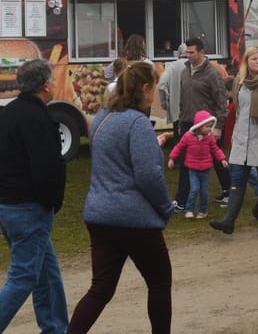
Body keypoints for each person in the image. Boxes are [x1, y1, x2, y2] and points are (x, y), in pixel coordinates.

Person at [67, 61, 176, 334]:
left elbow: (114, 159)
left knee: (100, 289)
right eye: (155, 89)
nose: (155, 95)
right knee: (159, 283)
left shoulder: (102, 118)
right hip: (134, 219)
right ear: (145, 88)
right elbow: (148, 176)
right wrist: (165, 207)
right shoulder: (138, 123)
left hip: (100, 215)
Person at [0, 59, 67, 334]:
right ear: (45, 85)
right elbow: (45, 166)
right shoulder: (36, 117)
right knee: (22, 279)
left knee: (47, 274)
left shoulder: (9, 112)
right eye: (52, 80)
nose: (54, 84)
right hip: (28, 208)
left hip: (7, 204)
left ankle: (55, 328)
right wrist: (51, 200)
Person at [210, 45, 258, 236]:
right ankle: (229, 221)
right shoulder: (240, 82)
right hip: (242, 140)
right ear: (247, 61)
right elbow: (239, 111)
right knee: (237, 181)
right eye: (254, 59)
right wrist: (235, 136)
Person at [174, 37, 227, 211]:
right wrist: (181, 121)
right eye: (187, 52)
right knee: (185, 161)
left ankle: (229, 190)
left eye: (192, 52)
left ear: (202, 52)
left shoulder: (212, 74)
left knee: (217, 159)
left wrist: (218, 126)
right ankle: (181, 201)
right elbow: (183, 99)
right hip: (187, 123)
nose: (188, 55)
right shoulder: (185, 71)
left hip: (206, 125)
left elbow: (221, 101)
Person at [167, 110, 228, 218]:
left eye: (211, 126)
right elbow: (179, 146)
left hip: (206, 169)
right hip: (193, 169)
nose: (210, 129)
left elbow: (216, 149)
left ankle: (203, 211)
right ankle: (189, 209)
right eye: (207, 126)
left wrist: (222, 159)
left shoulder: (209, 138)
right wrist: (172, 158)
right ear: (199, 126)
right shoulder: (188, 136)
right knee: (194, 189)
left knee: (204, 191)